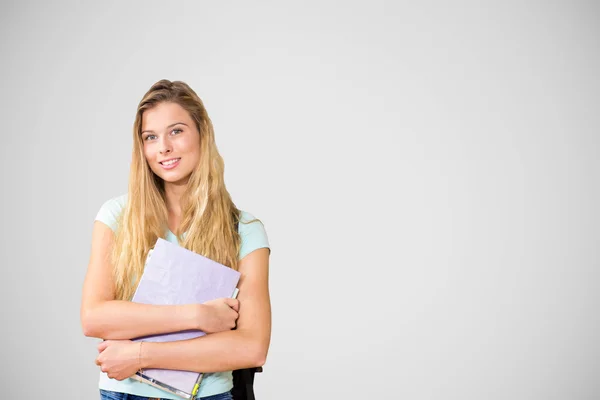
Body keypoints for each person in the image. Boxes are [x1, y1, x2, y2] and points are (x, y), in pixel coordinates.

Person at [80, 79, 271, 400]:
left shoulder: (244, 229)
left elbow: (252, 348)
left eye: (176, 131)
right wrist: (198, 316)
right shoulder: (116, 215)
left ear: (202, 134)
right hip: (125, 395)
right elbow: (94, 318)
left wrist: (139, 354)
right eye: (150, 137)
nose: (163, 147)